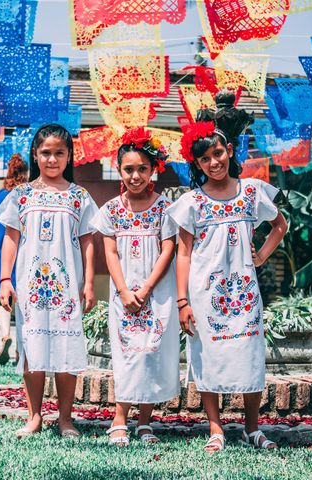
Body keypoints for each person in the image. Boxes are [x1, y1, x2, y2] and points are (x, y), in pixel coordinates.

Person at [166, 91, 288, 452]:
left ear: (230, 151)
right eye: (205, 159)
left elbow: (280, 225)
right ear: (198, 164)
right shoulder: (191, 202)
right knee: (208, 357)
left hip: (245, 292)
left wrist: (261, 256)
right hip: (204, 295)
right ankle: (216, 428)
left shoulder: (251, 192)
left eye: (218, 154)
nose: (213, 162)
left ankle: (252, 428)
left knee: (250, 356)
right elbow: (183, 254)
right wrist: (183, 301)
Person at [0, 124, 98, 439]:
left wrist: (89, 282)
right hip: (30, 288)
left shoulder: (79, 196)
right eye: (46, 153)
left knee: (67, 350)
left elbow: (88, 241)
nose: (52, 159)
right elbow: (11, 239)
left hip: (67, 289)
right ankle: (35, 416)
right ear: (35, 155)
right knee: (33, 350)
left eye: (59, 153)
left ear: (69, 157)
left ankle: (66, 418)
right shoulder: (21, 195)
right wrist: (4, 279)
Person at [92, 127, 180, 446]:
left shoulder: (164, 209)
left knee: (150, 356)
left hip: (155, 296)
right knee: (127, 355)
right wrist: (126, 291)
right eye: (129, 169)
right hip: (123, 297)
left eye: (143, 168)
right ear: (120, 170)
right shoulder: (111, 211)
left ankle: (144, 422)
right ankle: (118, 419)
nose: (136, 175)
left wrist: (145, 291)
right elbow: (110, 253)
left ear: (153, 169)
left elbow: (168, 249)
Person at [0, 153, 29, 365]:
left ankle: (5, 335)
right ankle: (21, 350)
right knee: (23, 302)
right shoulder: (29, 195)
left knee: (1, 299)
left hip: (2, 255)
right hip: (24, 254)